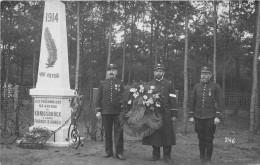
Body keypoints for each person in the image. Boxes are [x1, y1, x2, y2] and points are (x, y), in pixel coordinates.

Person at [142, 63, 178, 163]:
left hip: (166, 113)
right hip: (154, 114)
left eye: (160, 71)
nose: (158, 73)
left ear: (163, 72)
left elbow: (173, 100)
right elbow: (145, 100)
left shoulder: (169, 84)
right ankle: (155, 155)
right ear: (154, 72)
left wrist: (174, 114)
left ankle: (167, 156)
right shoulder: (149, 84)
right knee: (155, 134)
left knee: (167, 134)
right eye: (157, 71)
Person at [189, 66, 224, 165]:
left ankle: (208, 160)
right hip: (198, 117)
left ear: (210, 75)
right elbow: (192, 101)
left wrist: (218, 116)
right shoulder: (196, 87)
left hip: (210, 117)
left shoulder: (215, 86)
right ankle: (201, 159)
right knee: (200, 138)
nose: (203, 76)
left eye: (205, 74)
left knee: (209, 138)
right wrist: (191, 115)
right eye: (202, 74)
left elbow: (220, 102)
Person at [95, 63, 125, 160]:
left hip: (118, 112)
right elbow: (98, 98)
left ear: (116, 72)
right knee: (107, 132)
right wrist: (98, 110)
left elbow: (124, 97)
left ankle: (119, 152)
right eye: (109, 70)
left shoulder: (121, 83)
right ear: (107, 72)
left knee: (119, 133)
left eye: (113, 70)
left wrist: (124, 110)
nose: (111, 72)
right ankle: (108, 151)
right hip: (106, 112)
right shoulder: (102, 83)